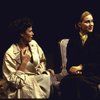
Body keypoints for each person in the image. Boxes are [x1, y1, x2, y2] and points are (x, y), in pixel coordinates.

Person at [2, 17, 55, 99]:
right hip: (20, 88)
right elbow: (14, 83)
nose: (33, 33)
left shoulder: (34, 44)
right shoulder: (10, 53)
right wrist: (23, 63)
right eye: (30, 31)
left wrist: (43, 71)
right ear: (22, 34)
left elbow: (42, 61)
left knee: (46, 77)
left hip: (38, 81)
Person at [60, 11, 100, 100]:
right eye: (87, 22)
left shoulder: (97, 39)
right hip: (78, 75)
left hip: (94, 74)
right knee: (66, 81)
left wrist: (81, 67)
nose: (91, 24)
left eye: (92, 21)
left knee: (80, 82)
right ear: (79, 24)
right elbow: (70, 64)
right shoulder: (72, 41)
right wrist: (71, 69)